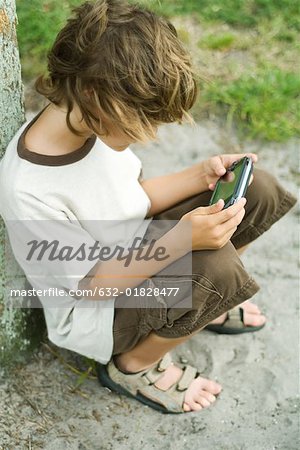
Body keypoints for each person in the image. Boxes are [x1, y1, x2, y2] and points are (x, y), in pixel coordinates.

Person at [0, 0, 296, 414]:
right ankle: (136, 364)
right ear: (92, 93)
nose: (151, 133)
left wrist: (200, 177)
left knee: (256, 190)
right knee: (216, 267)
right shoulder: (30, 189)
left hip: (136, 252)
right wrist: (181, 241)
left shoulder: (91, 124)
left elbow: (131, 199)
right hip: (99, 313)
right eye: (144, 121)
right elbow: (91, 289)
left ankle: (198, 304)